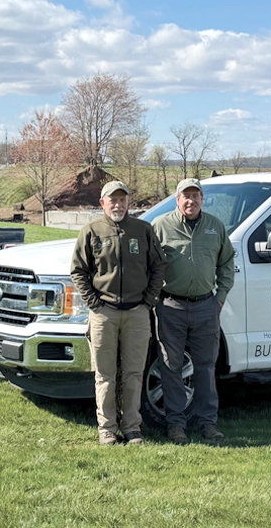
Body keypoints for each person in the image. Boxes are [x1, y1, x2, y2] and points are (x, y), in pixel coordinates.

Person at [71, 181, 166, 445]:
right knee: (105, 375)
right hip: (104, 313)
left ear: (128, 202)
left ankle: (133, 427)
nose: (118, 204)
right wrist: (93, 302)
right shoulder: (91, 232)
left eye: (122, 199)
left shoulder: (142, 230)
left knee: (134, 373)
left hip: (137, 313)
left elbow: (159, 267)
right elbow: (78, 271)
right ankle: (107, 429)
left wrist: (148, 301)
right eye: (112, 200)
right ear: (103, 203)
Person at [152, 178, 235, 444]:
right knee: (171, 367)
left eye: (196, 196)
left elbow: (226, 264)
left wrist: (219, 299)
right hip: (170, 307)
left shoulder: (215, 227)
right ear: (177, 200)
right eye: (185, 196)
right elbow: (148, 266)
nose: (191, 201)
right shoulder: (161, 226)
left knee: (205, 368)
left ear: (202, 199)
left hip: (205, 307)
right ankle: (176, 425)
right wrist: (154, 301)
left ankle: (208, 424)